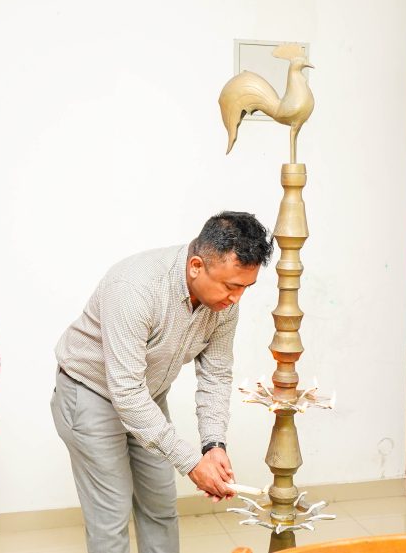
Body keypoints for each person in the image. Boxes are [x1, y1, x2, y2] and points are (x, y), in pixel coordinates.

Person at [51, 211, 274, 553]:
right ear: (196, 266)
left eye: (246, 287)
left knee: (161, 507)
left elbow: (216, 373)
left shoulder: (225, 303)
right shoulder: (134, 289)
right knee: (111, 517)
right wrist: (191, 464)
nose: (237, 298)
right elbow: (126, 393)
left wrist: (213, 445)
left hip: (147, 396)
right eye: (231, 286)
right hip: (90, 395)